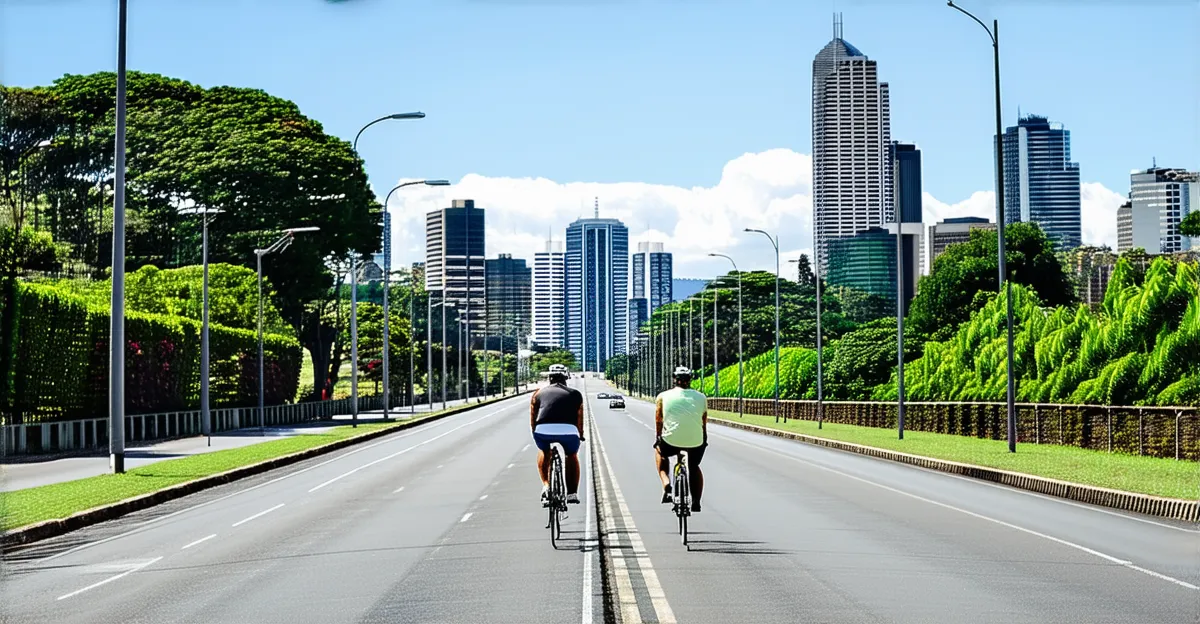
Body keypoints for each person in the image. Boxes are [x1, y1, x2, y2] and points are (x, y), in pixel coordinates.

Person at [654, 366, 707, 512]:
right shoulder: (701, 397)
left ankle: (666, 483)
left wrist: (658, 438)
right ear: (690, 380)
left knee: (660, 452)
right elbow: (703, 423)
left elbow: (659, 420)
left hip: (670, 441)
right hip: (696, 442)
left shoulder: (662, 396)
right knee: (694, 466)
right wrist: (704, 440)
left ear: (674, 380)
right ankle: (696, 501)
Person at [531, 364, 584, 505]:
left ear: (549, 378)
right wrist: (581, 434)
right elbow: (579, 419)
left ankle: (546, 485)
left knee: (544, 450)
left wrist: (535, 433)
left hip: (543, 430)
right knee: (571, 455)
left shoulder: (537, 394)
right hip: (569, 431)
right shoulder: (575, 394)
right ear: (566, 377)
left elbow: (533, 418)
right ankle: (572, 493)